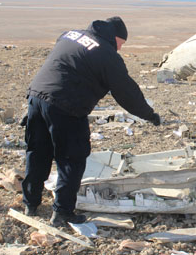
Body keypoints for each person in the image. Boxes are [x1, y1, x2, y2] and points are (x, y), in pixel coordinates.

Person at [22, 16, 161, 226]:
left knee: (38, 151)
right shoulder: (106, 54)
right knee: (71, 159)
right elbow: (127, 93)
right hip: (66, 106)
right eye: (121, 44)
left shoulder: (70, 34)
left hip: (36, 98)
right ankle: (62, 212)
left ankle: (30, 203)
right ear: (115, 37)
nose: (120, 49)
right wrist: (149, 114)